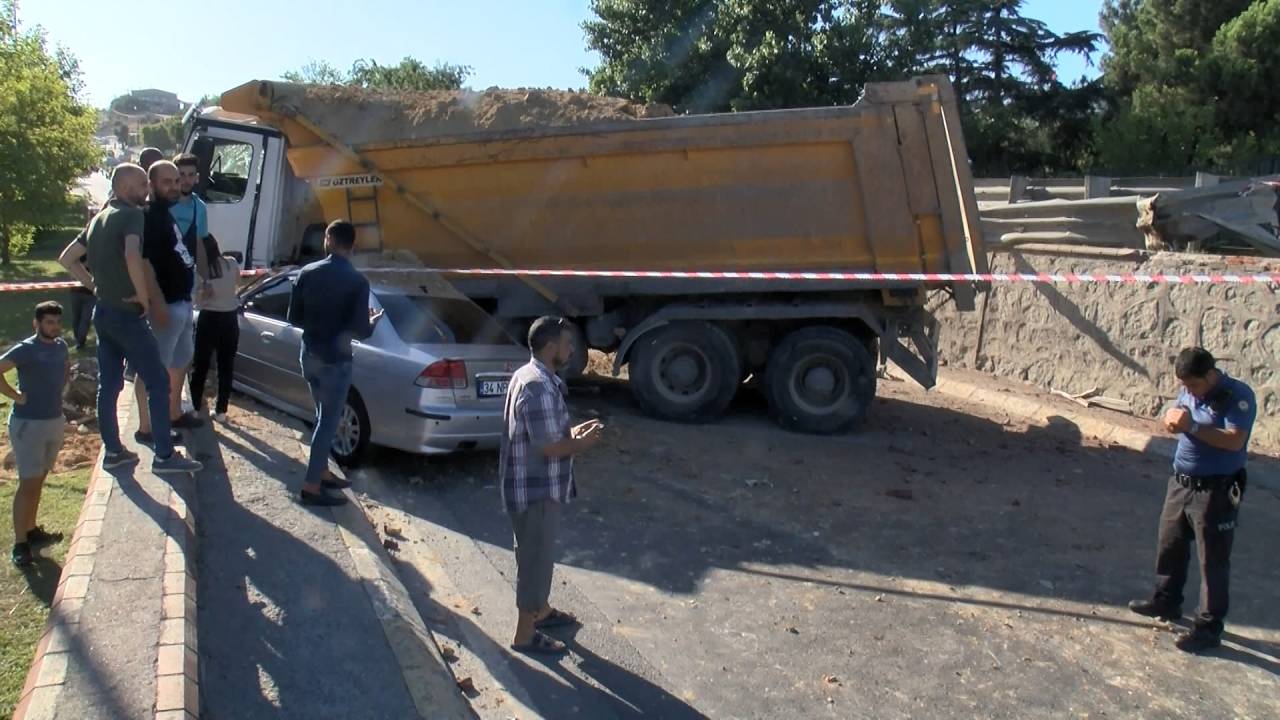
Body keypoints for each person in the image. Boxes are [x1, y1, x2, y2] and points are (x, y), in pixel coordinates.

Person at [1128, 347, 1255, 653]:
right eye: (1183, 385)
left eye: (1193, 385)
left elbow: (1235, 439)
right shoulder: (1190, 389)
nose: (1188, 391)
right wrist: (1172, 422)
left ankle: (1208, 627)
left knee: (1213, 560)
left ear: (1210, 374)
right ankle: (1166, 600)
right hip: (1181, 483)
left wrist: (1192, 427)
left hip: (1216, 489)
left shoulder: (1237, 396)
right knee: (1169, 544)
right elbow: (1179, 416)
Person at [82, 163, 202, 475]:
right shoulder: (132, 214)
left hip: (103, 311)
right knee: (158, 381)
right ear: (123, 186)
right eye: (140, 185)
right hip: (126, 315)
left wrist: (94, 284)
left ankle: (114, 452)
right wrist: (144, 297)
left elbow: (68, 258)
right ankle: (164, 457)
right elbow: (134, 255)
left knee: (108, 387)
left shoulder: (98, 219)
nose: (144, 191)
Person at [499, 316, 603, 655]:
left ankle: (540, 611)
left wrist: (574, 434)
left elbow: (545, 437)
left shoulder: (531, 376)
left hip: (529, 486)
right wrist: (581, 445)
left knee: (533, 554)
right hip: (536, 490)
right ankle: (524, 635)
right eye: (567, 342)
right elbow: (548, 447)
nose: (572, 348)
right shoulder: (538, 385)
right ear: (549, 347)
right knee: (535, 561)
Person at [286, 220, 382, 506]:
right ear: (353, 246)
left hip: (310, 354)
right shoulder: (357, 281)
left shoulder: (307, 273)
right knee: (328, 422)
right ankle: (311, 487)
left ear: (328, 240)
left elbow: (294, 318)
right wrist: (372, 322)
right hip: (335, 361)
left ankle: (322, 471)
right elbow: (361, 331)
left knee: (322, 419)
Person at [133, 160, 204, 445]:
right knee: (152, 369)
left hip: (183, 302)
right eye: (168, 182)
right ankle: (147, 428)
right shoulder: (149, 216)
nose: (175, 186)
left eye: (176, 181)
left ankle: (173, 413)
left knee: (180, 359)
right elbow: (144, 262)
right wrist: (158, 303)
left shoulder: (166, 213)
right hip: (166, 304)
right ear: (151, 185)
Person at [2, 302, 70, 566]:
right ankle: (20, 544)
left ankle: (31, 531)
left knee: (38, 480)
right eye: (48, 322)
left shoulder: (62, 346)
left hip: (54, 421)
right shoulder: (26, 349)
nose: (53, 326)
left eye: (56, 322)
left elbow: (65, 369)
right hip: (28, 425)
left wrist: (61, 388)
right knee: (27, 484)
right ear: (37, 323)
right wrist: (15, 396)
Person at [190, 237, 241, 423]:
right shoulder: (232, 262)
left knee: (200, 365)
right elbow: (237, 284)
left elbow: (197, 301)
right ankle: (221, 410)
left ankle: (195, 407)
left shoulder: (201, 272)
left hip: (209, 318)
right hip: (230, 318)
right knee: (226, 366)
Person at [170, 153, 211, 278]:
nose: (186, 180)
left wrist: (206, 281)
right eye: (181, 174)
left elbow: (199, 246)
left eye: (191, 175)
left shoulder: (200, 208)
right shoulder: (163, 203)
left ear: (197, 178)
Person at [58, 228, 97, 350]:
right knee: (76, 318)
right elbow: (70, 265)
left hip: (91, 294)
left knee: (85, 318)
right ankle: (78, 339)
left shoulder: (98, 252)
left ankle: (81, 341)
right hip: (76, 291)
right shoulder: (77, 253)